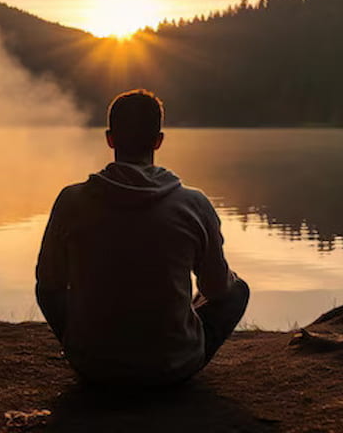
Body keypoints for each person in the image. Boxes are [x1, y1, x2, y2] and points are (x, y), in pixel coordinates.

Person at [35, 89, 249, 386]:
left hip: (94, 366)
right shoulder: (193, 204)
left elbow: (49, 284)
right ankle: (171, 350)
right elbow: (218, 290)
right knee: (238, 291)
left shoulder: (72, 201)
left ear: (110, 138)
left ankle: (83, 350)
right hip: (172, 367)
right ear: (158, 140)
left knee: (47, 290)